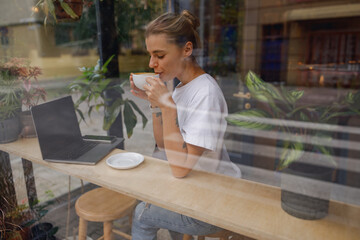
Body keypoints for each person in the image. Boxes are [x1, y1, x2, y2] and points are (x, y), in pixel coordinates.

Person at [129, 10, 241, 240]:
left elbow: (180, 169)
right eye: (151, 55)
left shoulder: (205, 93)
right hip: (190, 189)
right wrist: (156, 105)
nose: (152, 64)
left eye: (159, 55)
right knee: (150, 201)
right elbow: (163, 144)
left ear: (186, 50)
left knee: (142, 213)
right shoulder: (181, 88)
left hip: (212, 203)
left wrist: (168, 106)